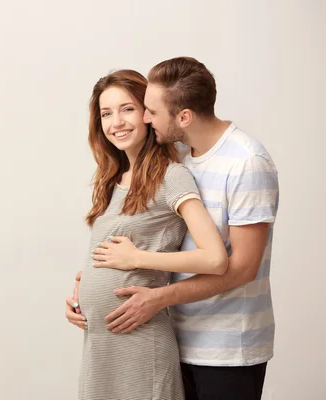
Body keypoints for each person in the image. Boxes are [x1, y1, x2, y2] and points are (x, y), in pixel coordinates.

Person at [68, 57, 279, 400]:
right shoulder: (182, 154)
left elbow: (236, 266)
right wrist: (88, 288)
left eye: (142, 110)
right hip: (176, 333)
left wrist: (146, 276)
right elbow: (143, 237)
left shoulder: (244, 163)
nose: (146, 119)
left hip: (226, 347)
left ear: (183, 116)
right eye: (106, 113)